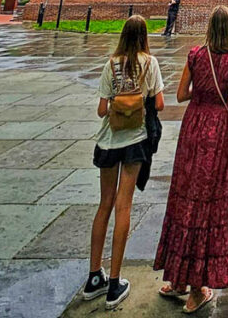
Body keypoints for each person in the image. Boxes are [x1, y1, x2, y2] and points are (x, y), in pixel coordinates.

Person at [155, 5, 228, 313]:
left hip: (193, 130)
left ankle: (178, 279)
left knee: (185, 200)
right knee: (209, 204)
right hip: (217, 133)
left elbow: (180, 95)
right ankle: (197, 290)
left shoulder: (195, 55)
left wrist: (203, 90)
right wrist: (224, 94)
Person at [85, 15, 164, 310]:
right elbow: (159, 104)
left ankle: (94, 276)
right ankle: (115, 281)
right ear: (144, 35)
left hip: (107, 141)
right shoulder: (150, 63)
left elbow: (101, 109)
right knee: (124, 206)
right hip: (134, 142)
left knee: (104, 204)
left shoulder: (111, 63)